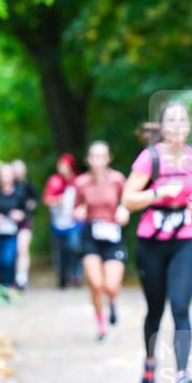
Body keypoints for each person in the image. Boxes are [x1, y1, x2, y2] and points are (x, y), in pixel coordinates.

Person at [122, 101, 192, 383]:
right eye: (170, 120)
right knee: (155, 310)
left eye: (181, 119)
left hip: (184, 238)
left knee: (181, 307)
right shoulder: (150, 158)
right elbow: (128, 199)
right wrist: (158, 192)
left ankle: (183, 375)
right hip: (151, 243)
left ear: (188, 126)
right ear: (162, 127)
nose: (176, 125)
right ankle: (149, 363)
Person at [73, 141, 130, 341]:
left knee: (111, 285)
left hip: (113, 234)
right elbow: (76, 208)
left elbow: (127, 202)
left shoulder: (117, 180)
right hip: (91, 235)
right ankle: (101, 325)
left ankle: (112, 301)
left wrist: (124, 211)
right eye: (94, 156)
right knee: (95, 283)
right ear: (88, 159)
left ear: (108, 158)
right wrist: (78, 212)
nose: (98, 160)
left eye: (102, 156)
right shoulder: (81, 182)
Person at [0, 162, 30, 294]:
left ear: (13, 177)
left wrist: (20, 215)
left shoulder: (19, 193)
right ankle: (2, 286)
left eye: (7, 176)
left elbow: (26, 211)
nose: (5, 179)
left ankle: (8, 286)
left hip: (12, 233)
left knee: (8, 260)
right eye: (2, 176)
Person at [43, 153, 84, 289]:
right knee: (60, 252)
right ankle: (62, 277)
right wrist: (59, 199)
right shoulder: (54, 181)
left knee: (75, 247)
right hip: (58, 223)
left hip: (74, 222)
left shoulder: (79, 180)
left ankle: (76, 275)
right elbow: (47, 200)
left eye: (64, 165)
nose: (61, 168)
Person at [10, 159, 38, 290]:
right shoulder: (6, 186)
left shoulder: (28, 186)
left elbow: (34, 204)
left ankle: (21, 278)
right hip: (8, 224)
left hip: (24, 222)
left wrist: (26, 210)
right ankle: (12, 277)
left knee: (22, 248)